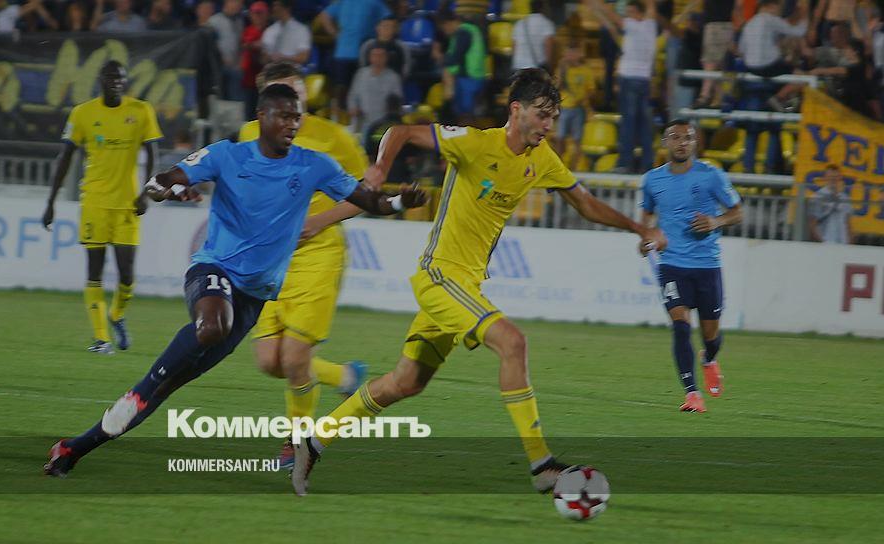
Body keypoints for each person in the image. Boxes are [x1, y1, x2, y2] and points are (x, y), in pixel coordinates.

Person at [290, 68, 666, 497]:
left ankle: (313, 441)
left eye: (553, 117)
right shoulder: (473, 142)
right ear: (516, 110)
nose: (548, 125)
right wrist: (378, 171)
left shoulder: (542, 159)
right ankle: (542, 466)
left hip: (465, 287)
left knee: (405, 382)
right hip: (439, 275)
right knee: (513, 343)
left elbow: (585, 203)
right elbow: (401, 131)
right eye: (542, 114)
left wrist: (639, 228)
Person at [43, 83, 428, 477]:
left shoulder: (315, 165)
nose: (292, 124)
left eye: (296, 117)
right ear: (262, 116)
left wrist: (401, 201)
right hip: (213, 270)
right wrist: (169, 189)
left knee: (170, 385)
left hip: (252, 299)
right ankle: (139, 390)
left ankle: (73, 449)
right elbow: (161, 179)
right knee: (209, 329)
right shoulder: (227, 154)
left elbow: (369, 200)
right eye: (284, 116)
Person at [239, 61, 373, 470]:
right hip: (271, 259)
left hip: (319, 253)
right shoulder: (248, 135)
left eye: (296, 91)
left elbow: (367, 193)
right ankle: (343, 377)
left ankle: (297, 443)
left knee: (295, 356)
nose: (293, 101)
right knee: (269, 361)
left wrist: (318, 221)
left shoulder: (334, 137)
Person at [42, 61, 162, 354]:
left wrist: (146, 192)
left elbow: (152, 153)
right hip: (94, 203)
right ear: (101, 80)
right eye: (111, 78)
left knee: (127, 275)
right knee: (94, 271)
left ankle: (116, 315)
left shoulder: (141, 111)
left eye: (121, 78)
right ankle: (101, 339)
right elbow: (65, 157)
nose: (116, 82)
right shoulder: (82, 113)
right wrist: (51, 201)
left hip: (127, 205)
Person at [639, 119, 743, 413]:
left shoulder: (711, 175)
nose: (681, 143)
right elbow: (646, 217)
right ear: (665, 143)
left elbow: (737, 213)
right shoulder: (652, 180)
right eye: (675, 137)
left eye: (687, 138)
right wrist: (645, 238)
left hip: (707, 265)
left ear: (695, 143)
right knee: (681, 327)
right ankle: (692, 394)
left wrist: (715, 222)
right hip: (671, 264)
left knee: (711, 336)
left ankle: (708, 358)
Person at [587, 0, 658, 173]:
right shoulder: (650, 26)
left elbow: (614, 18)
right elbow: (650, 8)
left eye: (630, 12)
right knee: (643, 124)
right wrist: (598, 12)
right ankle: (647, 163)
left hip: (629, 79)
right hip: (644, 80)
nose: (627, 16)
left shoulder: (633, 25)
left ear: (638, 13)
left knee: (628, 123)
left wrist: (598, 4)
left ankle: (625, 163)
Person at [318, 0, 392, 116]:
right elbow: (389, 19)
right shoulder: (373, 2)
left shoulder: (346, 2)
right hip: (359, 54)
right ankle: (348, 117)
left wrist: (334, 33)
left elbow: (324, 15)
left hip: (349, 53)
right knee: (351, 89)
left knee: (343, 88)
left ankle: (342, 118)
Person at [437, 10, 488, 121]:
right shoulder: (469, 30)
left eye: (444, 28)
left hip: (469, 78)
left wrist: (441, 60)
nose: (445, 32)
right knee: (463, 113)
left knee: (465, 114)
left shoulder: (463, 33)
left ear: (448, 23)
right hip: (470, 76)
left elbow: (456, 57)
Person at [553, 42, 596, 170]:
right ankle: (558, 166)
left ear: (579, 54)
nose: (570, 56)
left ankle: (574, 167)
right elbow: (555, 87)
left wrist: (584, 99)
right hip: (564, 108)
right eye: (568, 53)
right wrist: (562, 71)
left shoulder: (586, 70)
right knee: (560, 138)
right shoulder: (561, 69)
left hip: (579, 109)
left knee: (578, 139)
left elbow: (592, 90)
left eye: (573, 53)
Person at [692, 0, 741, 108]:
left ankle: (705, 96)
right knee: (720, 64)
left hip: (716, 25)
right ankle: (720, 98)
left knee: (710, 62)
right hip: (724, 24)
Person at [348, 45, 404, 135]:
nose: (377, 58)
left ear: (386, 58)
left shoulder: (393, 77)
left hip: (383, 125)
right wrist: (353, 108)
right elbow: (352, 95)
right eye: (374, 55)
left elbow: (397, 103)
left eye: (381, 55)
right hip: (362, 122)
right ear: (370, 57)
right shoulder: (361, 74)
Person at [206, 0, 244, 101]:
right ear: (227, 2)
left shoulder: (239, 21)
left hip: (234, 66)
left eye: (240, 3)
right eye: (236, 2)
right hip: (217, 66)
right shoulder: (214, 21)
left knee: (235, 97)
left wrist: (239, 61)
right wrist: (221, 58)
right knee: (219, 97)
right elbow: (210, 45)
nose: (239, 5)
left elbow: (240, 44)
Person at [808, 165, 853, 244]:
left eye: (835, 177)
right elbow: (812, 224)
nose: (833, 179)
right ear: (825, 177)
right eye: (830, 177)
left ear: (840, 178)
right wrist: (821, 242)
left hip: (843, 243)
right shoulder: (818, 197)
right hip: (826, 242)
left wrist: (850, 242)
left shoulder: (845, 198)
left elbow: (848, 223)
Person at [241, 1, 269, 121]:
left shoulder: (270, 31)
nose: (257, 16)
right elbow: (247, 44)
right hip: (249, 79)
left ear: (266, 14)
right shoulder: (249, 30)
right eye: (255, 13)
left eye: (260, 13)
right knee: (249, 114)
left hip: (266, 79)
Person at [262, 0, 312, 65]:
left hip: (292, 69)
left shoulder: (301, 30)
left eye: (277, 5)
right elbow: (263, 60)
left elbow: (303, 58)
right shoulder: (269, 31)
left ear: (287, 8)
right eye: (273, 6)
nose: (274, 9)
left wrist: (284, 58)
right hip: (272, 69)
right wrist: (266, 57)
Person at [511, 0, 556, 71]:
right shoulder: (547, 24)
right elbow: (548, 47)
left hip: (518, 66)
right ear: (543, 8)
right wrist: (549, 67)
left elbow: (514, 47)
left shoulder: (519, 23)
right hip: (534, 69)